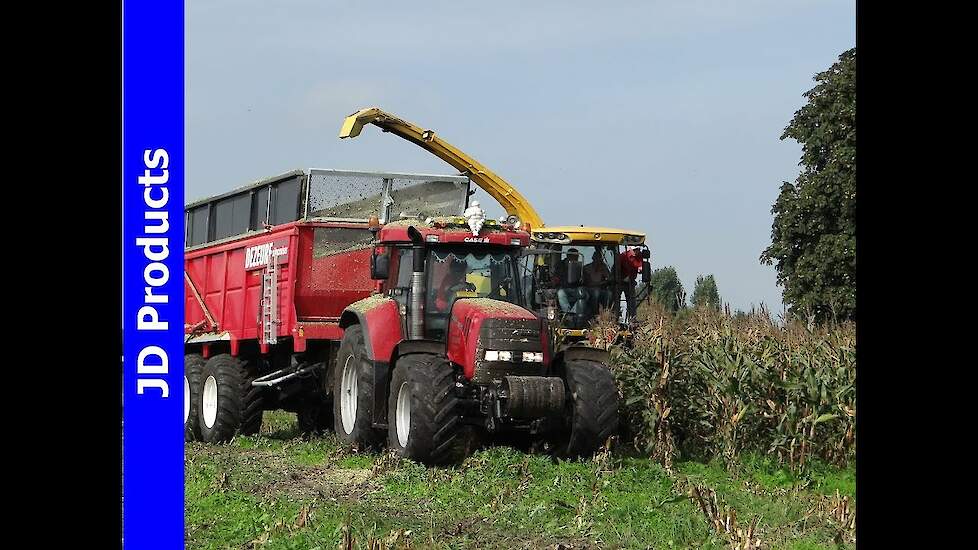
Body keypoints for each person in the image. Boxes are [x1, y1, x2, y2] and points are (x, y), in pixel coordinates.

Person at [554, 248, 587, 315]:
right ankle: (567, 313)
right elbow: (555, 277)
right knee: (560, 293)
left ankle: (572, 312)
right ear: (568, 256)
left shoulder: (579, 266)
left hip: (576, 288)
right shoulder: (560, 265)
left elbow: (584, 280)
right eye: (574, 256)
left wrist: (582, 279)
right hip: (563, 288)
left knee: (586, 295)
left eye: (577, 256)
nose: (576, 258)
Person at [583, 248, 613, 314]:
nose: (598, 260)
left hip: (601, 289)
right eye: (596, 258)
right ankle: (594, 313)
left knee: (609, 294)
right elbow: (588, 283)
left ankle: (606, 313)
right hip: (588, 289)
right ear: (593, 258)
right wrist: (602, 283)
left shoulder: (604, 268)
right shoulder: (586, 268)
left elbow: (610, 279)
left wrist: (605, 272)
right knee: (596, 293)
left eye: (599, 258)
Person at [619, 246, 643, 321]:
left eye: (638, 249)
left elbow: (641, 266)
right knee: (615, 299)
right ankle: (614, 316)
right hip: (619, 282)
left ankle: (632, 319)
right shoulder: (623, 256)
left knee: (632, 301)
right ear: (630, 249)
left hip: (631, 282)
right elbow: (616, 268)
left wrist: (641, 269)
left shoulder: (639, 256)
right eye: (635, 249)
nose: (637, 251)